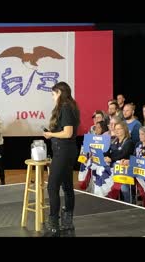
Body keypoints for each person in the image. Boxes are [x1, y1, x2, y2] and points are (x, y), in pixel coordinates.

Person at [43, 82, 80, 237]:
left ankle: (53, 223)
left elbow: (67, 132)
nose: (52, 97)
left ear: (59, 92)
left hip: (63, 151)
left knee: (52, 186)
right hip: (67, 150)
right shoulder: (71, 106)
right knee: (67, 186)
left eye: (53, 94)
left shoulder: (64, 107)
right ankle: (67, 221)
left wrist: (51, 134)